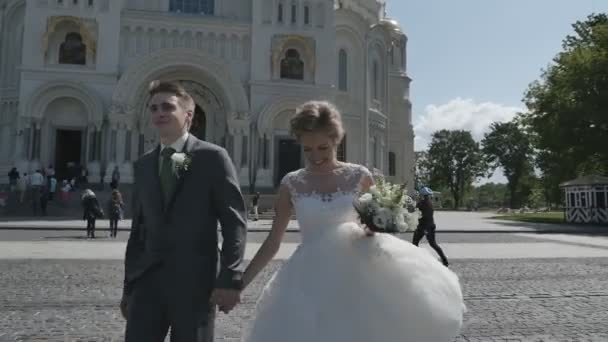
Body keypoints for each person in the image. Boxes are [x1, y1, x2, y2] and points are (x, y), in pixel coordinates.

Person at [240, 101, 465, 342]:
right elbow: (273, 241)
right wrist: (239, 284)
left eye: (323, 148)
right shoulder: (291, 183)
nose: (315, 156)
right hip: (309, 279)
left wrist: (373, 231)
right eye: (307, 149)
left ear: (337, 140)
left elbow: (381, 225)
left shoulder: (359, 176)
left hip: (359, 275)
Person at [120, 81, 247, 342]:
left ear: (188, 115)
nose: (159, 113)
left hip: (196, 286)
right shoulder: (143, 165)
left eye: (168, 106)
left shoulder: (213, 157)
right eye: (154, 108)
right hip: (146, 285)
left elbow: (234, 223)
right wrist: (129, 287)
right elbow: (138, 232)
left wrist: (230, 278)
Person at [412, 187, 450, 267]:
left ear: (422, 195)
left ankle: (417, 260)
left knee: (415, 243)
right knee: (432, 244)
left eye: (420, 195)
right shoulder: (429, 203)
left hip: (424, 227)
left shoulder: (422, 203)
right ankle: (445, 260)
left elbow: (419, 214)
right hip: (429, 226)